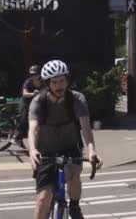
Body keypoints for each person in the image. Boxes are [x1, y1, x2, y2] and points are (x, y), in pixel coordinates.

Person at [28, 60, 101, 219]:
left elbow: (86, 130)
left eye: (62, 80)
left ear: (68, 80)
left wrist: (91, 151)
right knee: (42, 199)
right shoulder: (39, 101)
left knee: (74, 174)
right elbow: (33, 128)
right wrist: (32, 149)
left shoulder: (77, 99)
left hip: (71, 149)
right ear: (48, 84)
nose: (59, 85)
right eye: (54, 82)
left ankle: (74, 206)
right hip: (46, 152)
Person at [12, 65, 44, 148]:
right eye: (32, 74)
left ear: (39, 74)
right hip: (26, 102)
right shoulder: (28, 82)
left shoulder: (43, 82)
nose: (33, 76)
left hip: (37, 102)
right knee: (24, 119)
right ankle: (16, 137)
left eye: (35, 74)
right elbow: (24, 94)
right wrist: (33, 94)